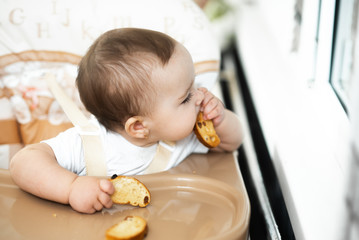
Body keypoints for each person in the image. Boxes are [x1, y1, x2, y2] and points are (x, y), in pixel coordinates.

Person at [10, 28, 243, 214]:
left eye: (196, 86)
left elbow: (231, 143)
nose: (200, 96)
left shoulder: (183, 134)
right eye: (186, 97)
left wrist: (219, 119)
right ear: (139, 126)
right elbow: (22, 163)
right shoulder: (89, 143)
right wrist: (70, 188)